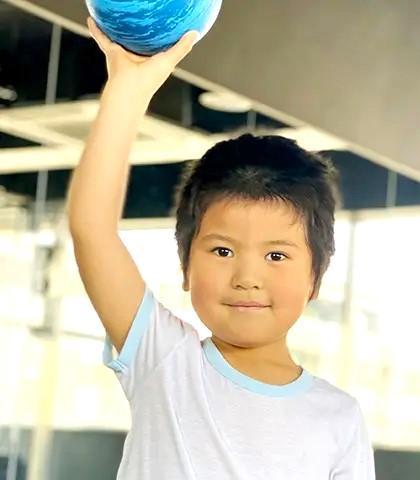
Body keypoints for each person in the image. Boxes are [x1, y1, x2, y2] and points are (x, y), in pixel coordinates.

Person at [65, 16, 376, 480]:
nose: (247, 278)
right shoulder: (164, 360)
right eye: (223, 252)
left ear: (315, 277)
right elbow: (92, 228)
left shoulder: (339, 418)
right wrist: (128, 91)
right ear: (185, 266)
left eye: (276, 256)